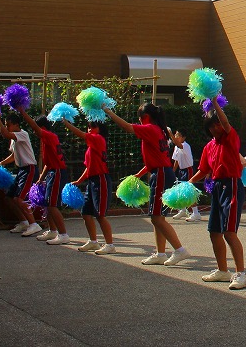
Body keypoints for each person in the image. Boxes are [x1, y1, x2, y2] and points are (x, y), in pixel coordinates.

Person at [105, 102, 190, 266]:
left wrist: (108, 112)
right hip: (163, 172)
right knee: (158, 218)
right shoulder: (159, 130)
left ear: (145, 117)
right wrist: (139, 174)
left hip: (161, 175)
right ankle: (160, 253)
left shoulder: (150, 128)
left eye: (139, 117)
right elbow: (156, 158)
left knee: (156, 218)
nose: (138, 120)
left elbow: (127, 127)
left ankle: (180, 250)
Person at [188, 101, 246, 289]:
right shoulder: (209, 146)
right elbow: (203, 169)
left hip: (232, 185)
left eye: (217, 124)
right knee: (214, 232)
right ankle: (222, 270)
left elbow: (226, 123)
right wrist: (188, 183)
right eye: (211, 125)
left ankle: (241, 274)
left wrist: (214, 101)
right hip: (217, 187)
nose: (215, 128)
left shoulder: (231, 137)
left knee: (229, 232)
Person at [62, 116, 116, 254]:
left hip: (101, 180)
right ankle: (93, 242)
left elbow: (81, 134)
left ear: (100, 129)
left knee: (100, 215)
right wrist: (79, 181)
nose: (89, 129)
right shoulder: (91, 147)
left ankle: (110, 244)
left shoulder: (98, 139)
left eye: (93, 127)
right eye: (88, 127)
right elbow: (88, 167)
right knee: (86, 213)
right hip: (92, 181)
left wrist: (66, 123)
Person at [16, 108, 71, 245]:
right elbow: (48, 162)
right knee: (47, 203)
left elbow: (34, 127)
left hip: (57, 172)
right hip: (52, 172)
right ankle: (53, 231)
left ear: (42, 127)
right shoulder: (48, 138)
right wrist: (41, 178)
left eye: (36, 129)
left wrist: (22, 111)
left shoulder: (48, 136)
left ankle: (63, 234)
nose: (35, 132)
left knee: (52, 205)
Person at [0, 109, 42, 237]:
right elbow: (14, 156)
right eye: (6, 125)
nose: (7, 127)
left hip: (29, 169)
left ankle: (34, 224)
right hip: (21, 170)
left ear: (16, 124)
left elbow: (5, 134)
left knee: (19, 199)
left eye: (8, 125)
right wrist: (1, 163)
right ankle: (24, 222)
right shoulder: (14, 138)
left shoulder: (22, 134)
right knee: (9, 198)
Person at [171, 129, 201, 222]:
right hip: (181, 170)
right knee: (181, 191)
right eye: (175, 135)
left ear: (183, 137)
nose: (176, 137)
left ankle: (196, 213)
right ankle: (183, 210)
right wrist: (173, 172)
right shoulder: (176, 147)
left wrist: (170, 134)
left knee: (189, 191)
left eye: (178, 135)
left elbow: (178, 144)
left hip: (188, 170)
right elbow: (176, 160)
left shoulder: (185, 145)